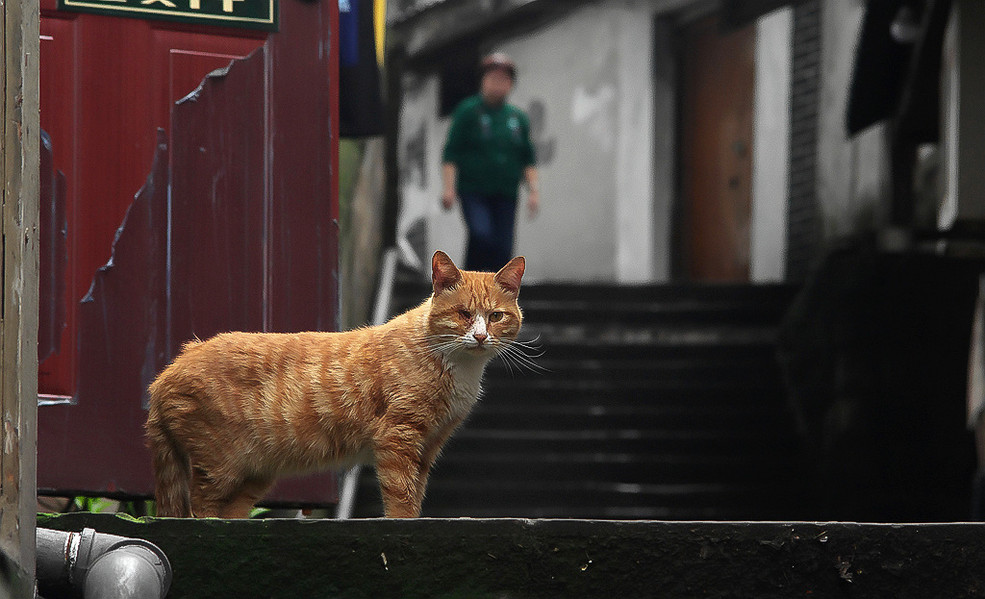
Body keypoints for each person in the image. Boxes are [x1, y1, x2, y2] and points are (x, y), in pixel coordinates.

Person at [441, 52, 539, 272]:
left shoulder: (517, 118)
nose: (497, 84)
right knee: (481, 234)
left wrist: (533, 191)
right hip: (474, 190)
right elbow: (451, 153)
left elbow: (527, 158)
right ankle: (469, 284)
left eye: (503, 79)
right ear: (482, 81)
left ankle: (494, 294)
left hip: (506, 193)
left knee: (502, 248)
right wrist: (449, 188)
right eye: (492, 78)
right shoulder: (468, 111)